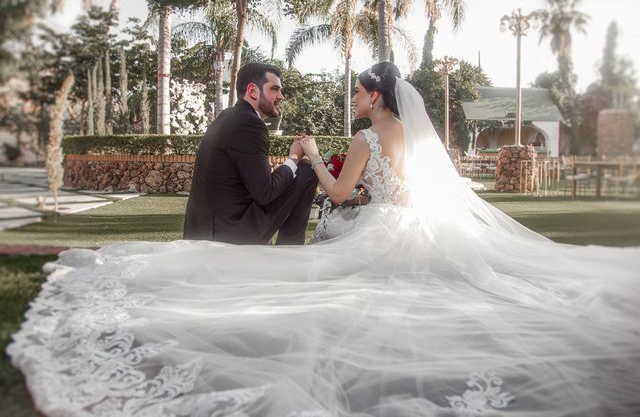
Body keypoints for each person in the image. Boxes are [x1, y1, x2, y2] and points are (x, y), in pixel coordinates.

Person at [7, 63, 640, 416]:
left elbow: (340, 196)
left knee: (339, 285)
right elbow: (404, 191)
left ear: (376, 97)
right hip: (417, 227)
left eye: (359, 93)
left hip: (384, 230)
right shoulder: (418, 138)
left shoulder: (366, 138)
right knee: (420, 298)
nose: (355, 99)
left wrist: (309, 157)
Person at [183, 62, 318, 245]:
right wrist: (293, 158)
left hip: (205, 228)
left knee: (298, 170)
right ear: (253, 91)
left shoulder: (228, 116)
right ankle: (289, 249)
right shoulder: (250, 125)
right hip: (231, 230)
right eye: (275, 89)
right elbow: (265, 192)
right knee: (306, 171)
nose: (281, 96)